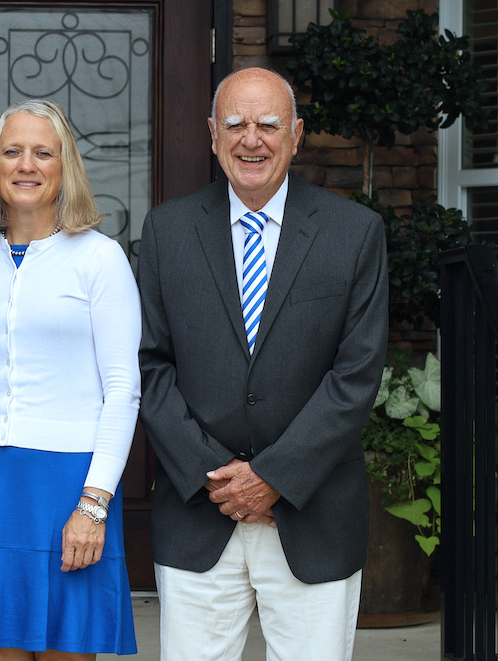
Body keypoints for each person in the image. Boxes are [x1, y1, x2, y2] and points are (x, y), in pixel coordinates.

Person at [137, 67, 389, 660]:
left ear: (297, 135)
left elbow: (356, 377)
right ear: (212, 134)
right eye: (236, 124)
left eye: (269, 124)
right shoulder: (168, 231)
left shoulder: (355, 233)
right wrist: (217, 478)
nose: (252, 139)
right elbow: (149, 366)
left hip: (313, 514)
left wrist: (274, 477)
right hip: (201, 508)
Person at [0, 99, 140, 659]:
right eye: (12, 151)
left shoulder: (101, 259)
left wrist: (94, 503)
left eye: (43, 152)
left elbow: (123, 388)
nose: (27, 164)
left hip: (70, 487)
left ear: (64, 166)